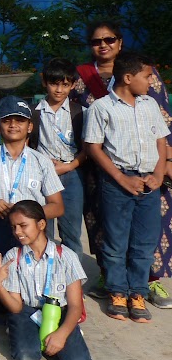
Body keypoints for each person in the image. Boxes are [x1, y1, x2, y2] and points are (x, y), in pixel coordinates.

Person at [74, 20, 172, 310]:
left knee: (149, 233)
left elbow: (162, 124)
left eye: (109, 39)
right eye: (96, 41)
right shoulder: (83, 78)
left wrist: (164, 164)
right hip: (104, 169)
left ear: (120, 42)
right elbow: (75, 121)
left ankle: (146, 283)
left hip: (149, 170)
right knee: (109, 231)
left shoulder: (146, 82)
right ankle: (113, 282)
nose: (103, 45)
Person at [0, 200, 93, 360]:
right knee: (26, 356)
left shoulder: (66, 256)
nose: (17, 232)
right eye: (14, 227)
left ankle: (62, 334)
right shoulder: (14, 256)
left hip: (59, 311)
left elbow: (76, 306)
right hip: (27, 312)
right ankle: (24, 333)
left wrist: (62, 334)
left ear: (41, 224)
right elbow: (16, 307)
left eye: (23, 225)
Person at [0, 96, 64, 256]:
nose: (13, 125)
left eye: (20, 120)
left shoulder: (42, 161)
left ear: (30, 126)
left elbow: (57, 206)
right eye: (6, 121)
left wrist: (27, 215)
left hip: (30, 229)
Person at [30, 58, 86, 255]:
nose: (59, 90)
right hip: (41, 176)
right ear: (44, 82)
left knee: (71, 232)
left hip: (72, 175)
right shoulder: (33, 112)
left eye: (65, 84)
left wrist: (69, 166)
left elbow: (89, 149)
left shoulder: (80, 113)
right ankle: (45, 270)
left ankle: (73, 272)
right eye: (54, 84)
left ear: (73, 85)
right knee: (42, 230)